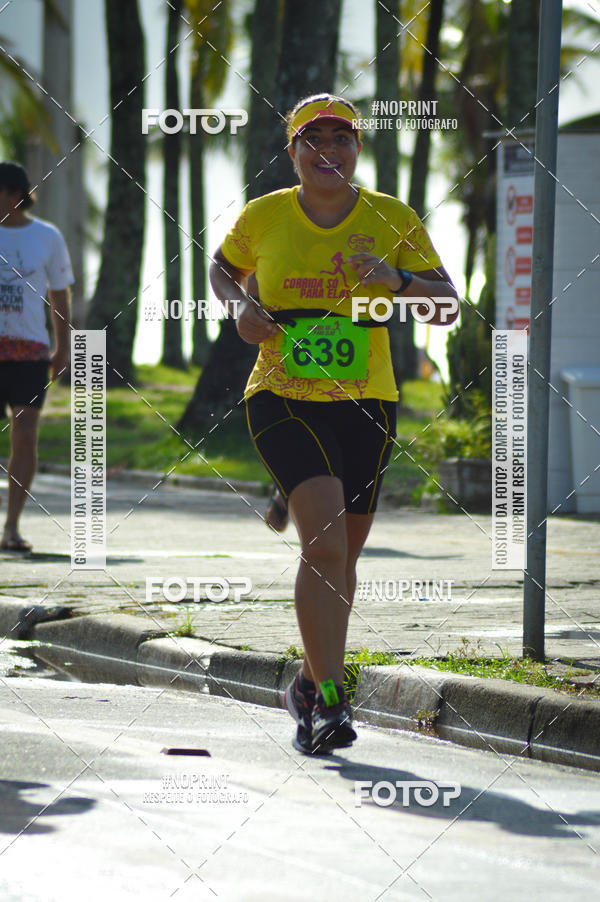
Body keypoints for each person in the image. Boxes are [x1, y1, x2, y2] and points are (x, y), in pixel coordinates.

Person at [209, 94, 458, 754]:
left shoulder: (391, 217)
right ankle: (327, 702)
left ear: (356, 149)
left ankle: (307, 678)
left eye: (340, 138)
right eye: (311, 139)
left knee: (342, 556)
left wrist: (398, 280)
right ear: (292, 153)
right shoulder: (264, 216)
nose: (327, 150)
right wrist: (240, 309)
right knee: (322, 545)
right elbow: (221, 270)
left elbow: (447, 305)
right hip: (281, 394)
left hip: (366, 401)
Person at [0, 161, 73, 552]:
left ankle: (10, 527)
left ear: (14, 196)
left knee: (25, 436)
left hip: (30, 352)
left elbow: (59, 293)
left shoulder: (47, 237)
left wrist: (62, 345)